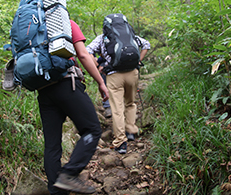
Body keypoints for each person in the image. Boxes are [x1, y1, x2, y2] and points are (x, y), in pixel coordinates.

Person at [38, 19, 109, 194]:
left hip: (44, 91)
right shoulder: (65, 21)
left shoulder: (33, 29)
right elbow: (83, 55)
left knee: (52, 146)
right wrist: (101, 83)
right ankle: (69, 174)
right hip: (67, 84)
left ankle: (57, 191)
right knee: (92, 129)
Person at [86, 14, 150, 154]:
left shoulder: (103, 37)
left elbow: (88, 51)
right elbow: (146, 45)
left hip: (114, 75)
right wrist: (138, 60)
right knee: (131, 103)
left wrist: (98, 65)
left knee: (117, 108)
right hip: (132, 73)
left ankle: (120, 142)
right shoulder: (129, 35)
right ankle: (131, 131)